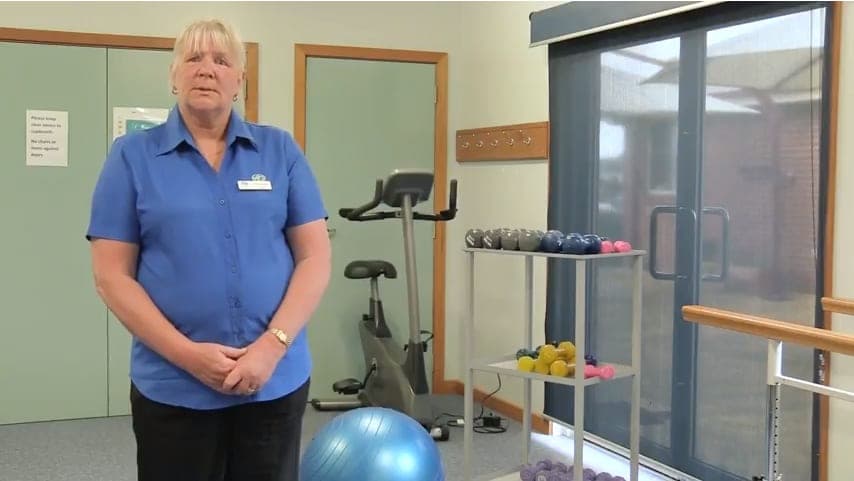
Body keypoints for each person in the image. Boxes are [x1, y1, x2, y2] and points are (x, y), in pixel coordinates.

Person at [86, 18, 331, 481]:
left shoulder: (280, 151)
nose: (206, 69)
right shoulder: (130, 157)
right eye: (193, 57)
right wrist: (187, 355)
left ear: (239, 79)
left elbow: (315, 257)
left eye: (221, 60)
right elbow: (111, 276)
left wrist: (271, 347)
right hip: (174, 386)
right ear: (173, 73)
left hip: (274, 382)